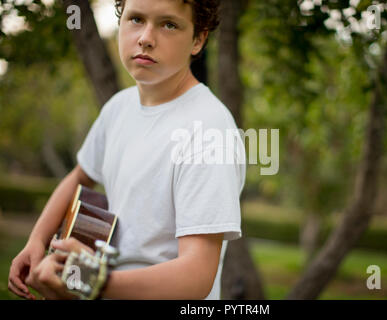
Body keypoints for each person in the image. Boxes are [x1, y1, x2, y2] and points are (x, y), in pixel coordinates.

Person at [8, 0, 245, 300]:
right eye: (135, 19)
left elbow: (197, 276)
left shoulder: (209, 130)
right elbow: (80, 176)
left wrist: (92, 282)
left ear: (198, 39)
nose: (146, 37)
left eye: (168, 24)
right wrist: (36, 242)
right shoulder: (119, 107)